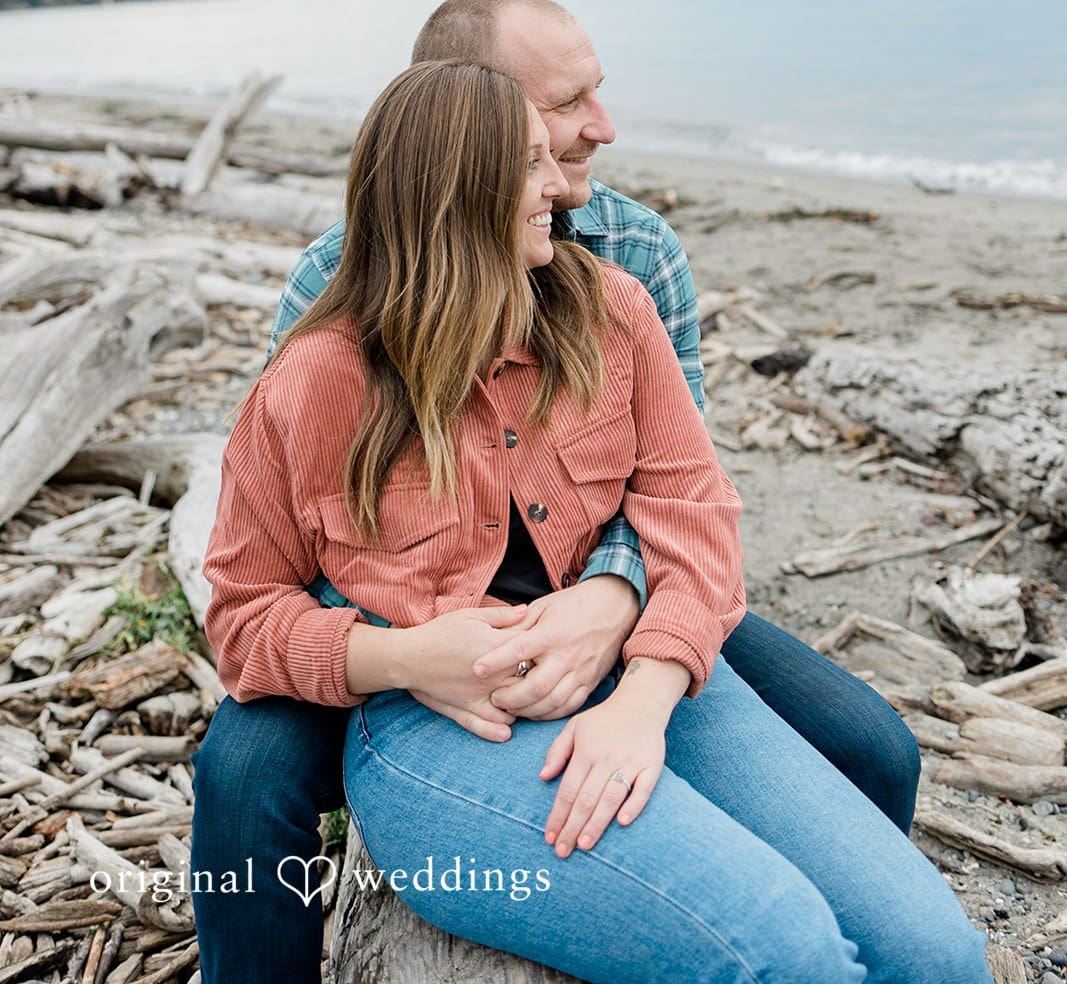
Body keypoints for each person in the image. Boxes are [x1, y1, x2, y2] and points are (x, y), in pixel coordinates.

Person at [197, 60, 990, 984]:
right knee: (788, 953)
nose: (559, 184)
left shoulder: (613, 310)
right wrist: (407, 658)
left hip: (647, 670)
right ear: (455, 190)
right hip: (440, 725)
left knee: (937, 955)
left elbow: (694, 516)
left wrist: (643, 703)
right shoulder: (316, 379)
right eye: (529, 162)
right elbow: (242, 614)